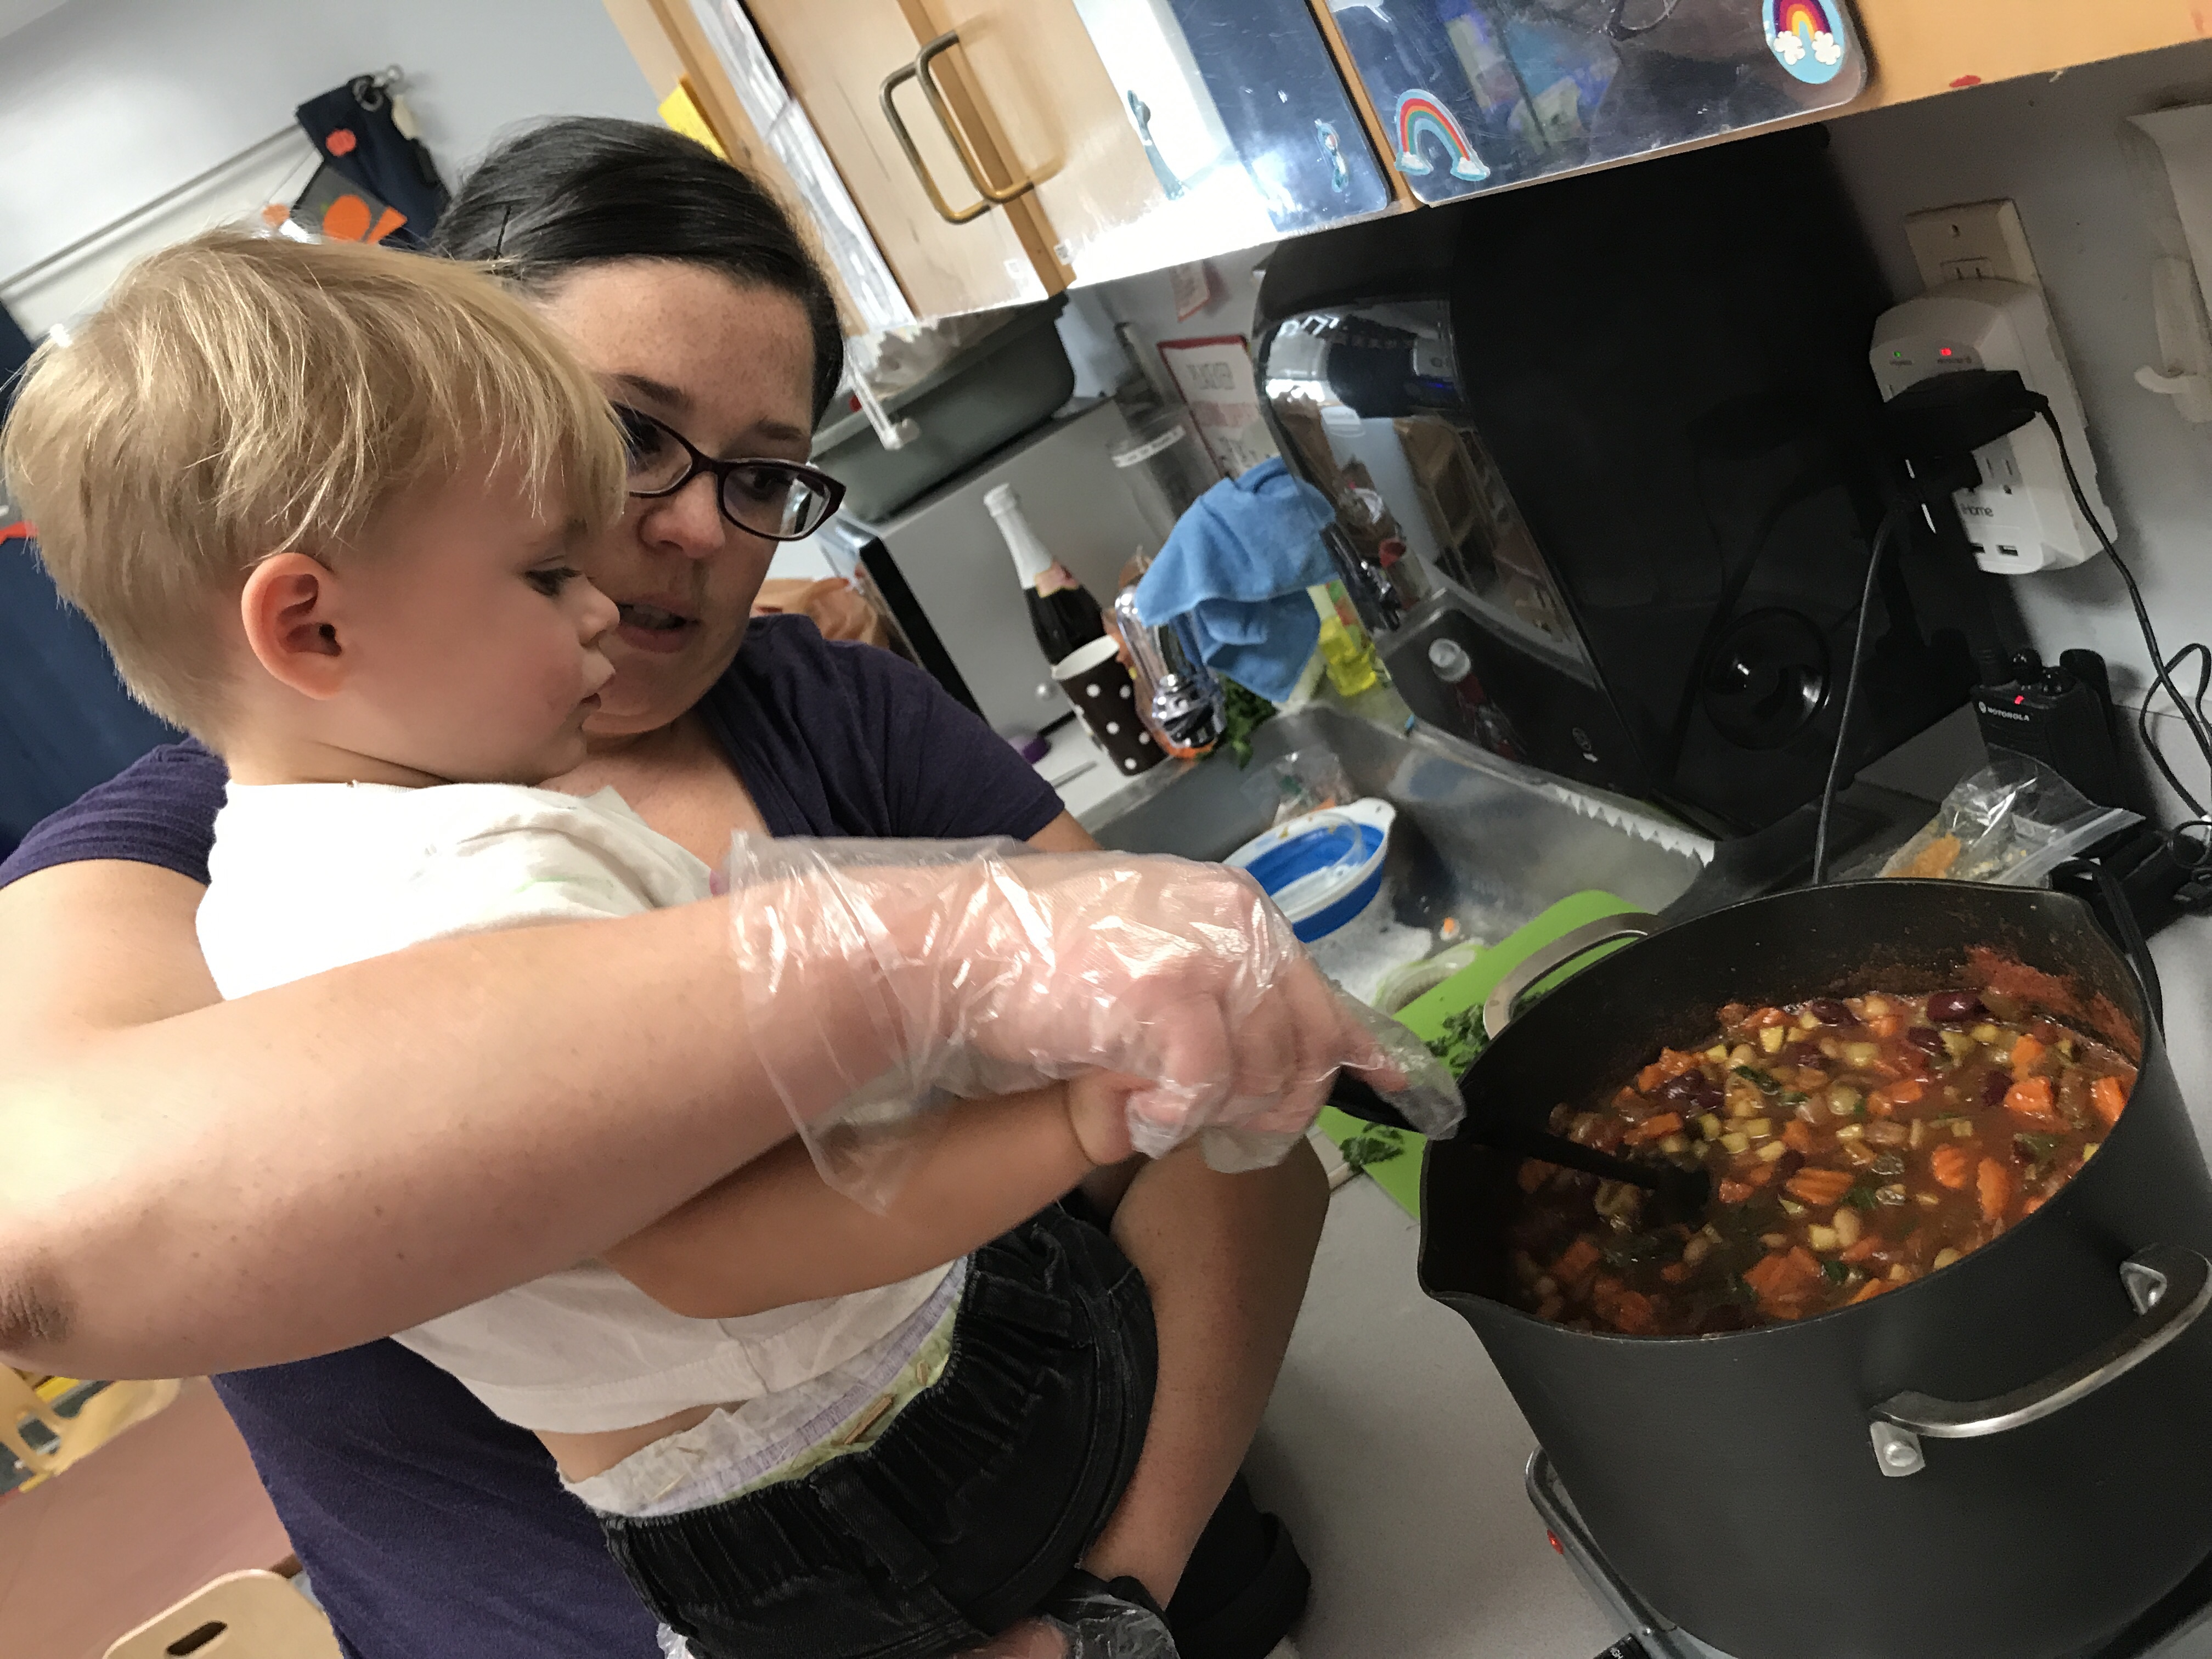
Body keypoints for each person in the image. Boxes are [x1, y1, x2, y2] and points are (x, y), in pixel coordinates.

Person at [0, 121, 1362, 1658]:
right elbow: (38, 1244)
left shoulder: (820, 709)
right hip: (851, 1535)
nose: (696, 528)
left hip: (1089, 1560)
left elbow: (1220, 1111)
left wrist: (1109, 1611)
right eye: (623, 440)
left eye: (764, 474)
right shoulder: (198, 867)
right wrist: (956, 967)